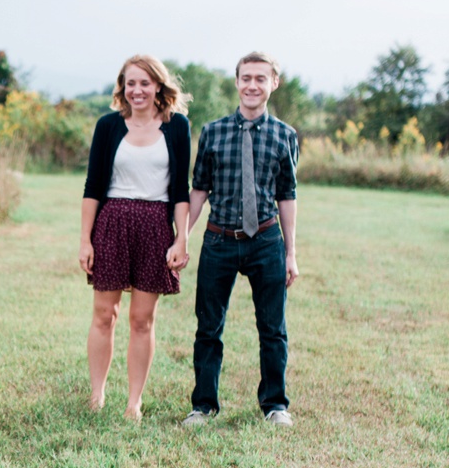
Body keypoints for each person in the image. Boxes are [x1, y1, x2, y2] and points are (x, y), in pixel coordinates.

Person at [182, 52, 300, 427]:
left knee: (273, 328)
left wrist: (291, 253)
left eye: (260, 79)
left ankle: (275, 405)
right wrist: (182, 238)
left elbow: (287, 196)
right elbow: (198, 190)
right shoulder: (213, 132)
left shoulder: (285, 136)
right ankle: (203, 406)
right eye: (246, 78)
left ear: (273, 84)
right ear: (236, 82)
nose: (252, 85)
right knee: (209, 326)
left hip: (266, 240)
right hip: (219, 240)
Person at [79, 55, 191, 421]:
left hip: (155, 224)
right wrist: (85, 239)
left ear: (158, 85)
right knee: (103, 314)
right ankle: (97, 394)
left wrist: (181, 240)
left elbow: (180, 191)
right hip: (112, 222)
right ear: (122, 88)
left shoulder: (177, 127)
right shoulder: (109, 125)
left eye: (144, 83)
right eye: (130, 83)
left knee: (142, 319)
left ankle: (134, 402)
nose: (137, 90)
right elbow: (93, 186)